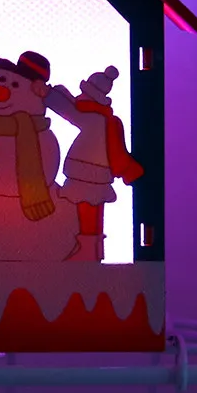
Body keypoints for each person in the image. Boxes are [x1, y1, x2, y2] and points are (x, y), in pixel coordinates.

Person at [46, 66, 143, 262]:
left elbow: (68, 108)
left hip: (88, 174)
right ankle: (90, 250)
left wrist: (48, 94)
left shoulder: (93, 117)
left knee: (87, 211)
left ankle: (87, 251)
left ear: (92, 97)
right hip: (92, 173)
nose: (79, 97)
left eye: (84, 94)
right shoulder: (103, 118)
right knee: (90, 211)